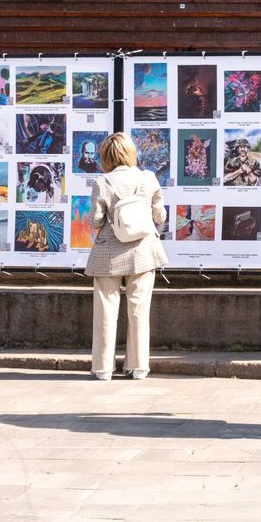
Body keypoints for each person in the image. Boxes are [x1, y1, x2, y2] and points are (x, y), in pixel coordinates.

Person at [87, 132, 167, 380]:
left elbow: (94, 220)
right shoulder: (148, 178)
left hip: (108, 255)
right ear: (131, 153)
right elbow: (160, 217)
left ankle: (102, 368)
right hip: (143, 252)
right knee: (139, 309)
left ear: (106, 156)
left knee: (105, 310)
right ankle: (139, 366)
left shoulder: (102, 182)